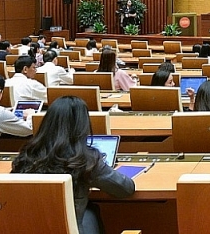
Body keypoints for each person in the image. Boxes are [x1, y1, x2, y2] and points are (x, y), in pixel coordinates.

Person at [12, 96, 135, 234]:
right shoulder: (84, 159)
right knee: (89, 212)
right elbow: (125, 189)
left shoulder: (27, 154)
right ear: (82, 125)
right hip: (70, 229)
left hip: (30, 227)